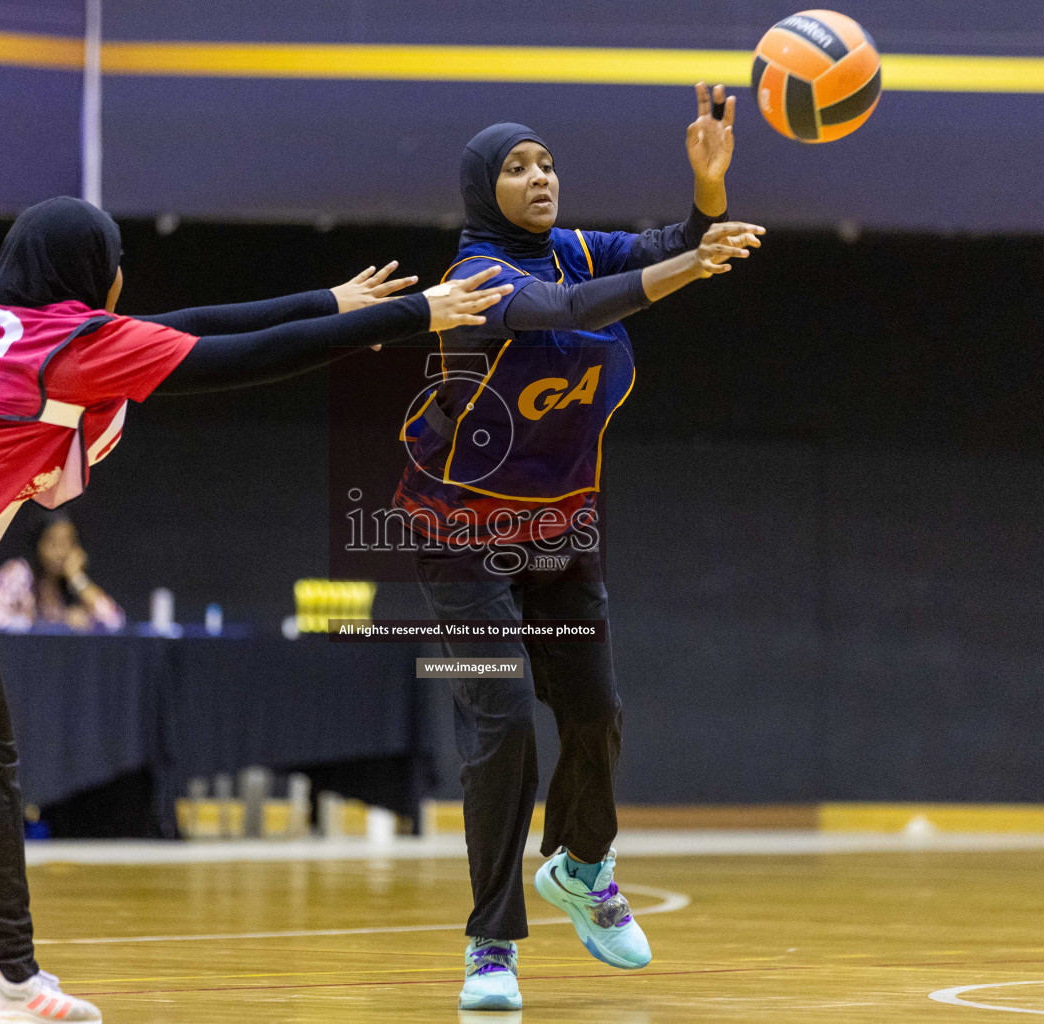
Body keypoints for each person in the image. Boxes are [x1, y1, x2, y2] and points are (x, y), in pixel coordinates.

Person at [0, 196, 508, 1024]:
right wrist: (418, 314)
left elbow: (190, 325)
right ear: (92, 272)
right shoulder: (78, 348)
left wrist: (331, 304)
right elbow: (237, 356)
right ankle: (7, 981)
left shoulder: (4, 317)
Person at [393, 84, 765, 1011]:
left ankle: (583, 868)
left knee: (596, 712)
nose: (541, 176)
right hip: (459, 531)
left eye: (547, 162)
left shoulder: (574, 243)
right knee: (505, 721)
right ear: (485, 190)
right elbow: (562, 310)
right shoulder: (476, 276)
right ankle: (490, 946)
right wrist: (687, 269)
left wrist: (706, 195)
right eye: (518, 167)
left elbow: (666, 248)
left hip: (557, 525)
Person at [0, 513, 124, 633]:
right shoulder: (18, 573)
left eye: (68, 543)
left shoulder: (73, 583)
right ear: (38, 544)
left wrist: (78, 579)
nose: (61, 552)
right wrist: (60, 624)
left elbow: (115, 624)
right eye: (52, 543)